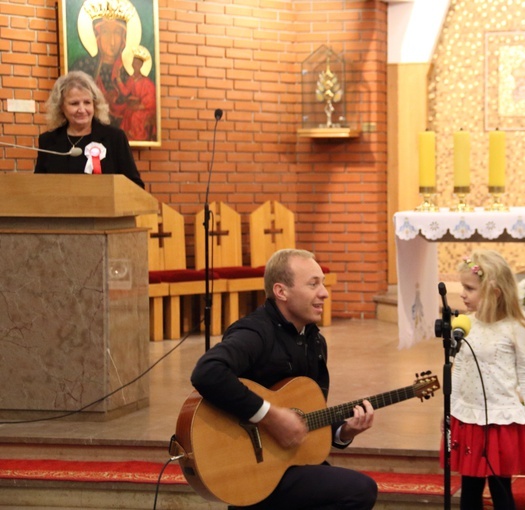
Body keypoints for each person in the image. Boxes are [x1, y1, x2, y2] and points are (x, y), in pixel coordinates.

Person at [190, 249, 378, 510]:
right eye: (313, 284)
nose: (324, 292)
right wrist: (270, 416)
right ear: (281, 291)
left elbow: (309, 412)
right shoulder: (255, 332)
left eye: (322, 283)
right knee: (359, 491)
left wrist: (343, 431)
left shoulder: (314, 341)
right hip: (250, 469)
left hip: (287, 463)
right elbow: (207, 372)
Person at [442, 250, 525, 510]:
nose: (462, 293)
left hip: (500, 420)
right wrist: (449, 411)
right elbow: (460, 368)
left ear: (494, 293)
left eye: (469, 288)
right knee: (470, 489)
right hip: (468, 418)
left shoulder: (514, 327)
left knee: (500, 487)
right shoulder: (465, 324)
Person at [34, 70, 144, 188]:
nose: (82, 109)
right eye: (74, 103)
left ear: (94, 104)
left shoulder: (115, 138)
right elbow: (39, 188)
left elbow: (135, 186)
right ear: (61, 107)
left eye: (87, 102)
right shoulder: (48, 141)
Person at [116, 45, 157, 141]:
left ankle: (138, 136)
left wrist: (139, 106)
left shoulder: (146, 82)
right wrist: (118, 79)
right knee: (127, 112)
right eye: (134, 62)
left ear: (141, 65)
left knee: (135, 115)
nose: (135, 65)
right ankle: (126, 137)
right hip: (135, 106)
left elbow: (150, 99)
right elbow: (126, 92)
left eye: (138, 63)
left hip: (145, 108)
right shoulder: (131, 79)